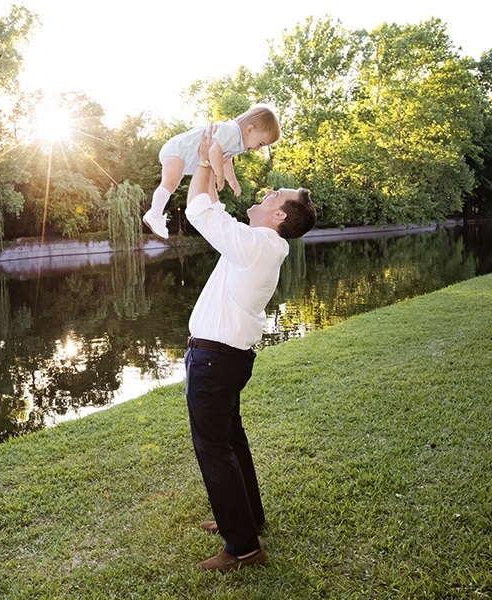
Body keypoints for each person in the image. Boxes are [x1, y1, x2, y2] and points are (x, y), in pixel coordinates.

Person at [183, 131, 316, 572]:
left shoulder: (258, 245)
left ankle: (242, 548)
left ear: (279, 214)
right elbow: (213, 207)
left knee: (213, 447)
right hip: (225, 358)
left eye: (274, 193)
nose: (266, 191)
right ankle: (247, 520)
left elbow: (197, 210)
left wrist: (205, 160)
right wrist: (210, 168)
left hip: (215, 360)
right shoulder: (259, 245)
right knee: (231, 441)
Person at [142, 104, 281, 240]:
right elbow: (214, 151)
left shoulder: (236, 140)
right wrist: (220, 176)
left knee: (175, 183)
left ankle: (215, 206)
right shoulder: (232, 131)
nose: (257, 149)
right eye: (261, 144)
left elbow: (225, 159)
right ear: (249, 130)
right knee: (170, 183)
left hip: (185, 157)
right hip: (178, 150)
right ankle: (154, 215)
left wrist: (232, 180)